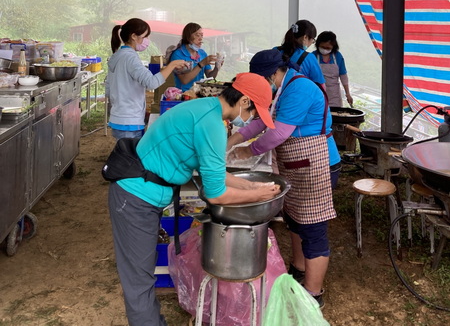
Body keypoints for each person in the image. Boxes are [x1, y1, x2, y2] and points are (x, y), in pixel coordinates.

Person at [108, 72, 281, 326]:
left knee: (143, 270)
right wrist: (258, 195)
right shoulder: (211, 124)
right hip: (135, 196)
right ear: (244, 101)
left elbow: (214, 172)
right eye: (254, 113)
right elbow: (216, 194)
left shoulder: (207, 109)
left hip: (146, 192)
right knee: (139, 279)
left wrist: (250, 185)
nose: (251, 119)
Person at [227, 49, 340, 309]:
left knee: (313, 227)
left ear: (270, 75)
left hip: (318, 163)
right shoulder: (281, 89)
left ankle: (313, 294)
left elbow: (278, 134)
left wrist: (248, 150)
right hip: (297, 163)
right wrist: (234, 139)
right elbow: (262, 121)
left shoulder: (299, 88)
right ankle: (298, 270)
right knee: (295, 219)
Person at [105, 18, 189, 139]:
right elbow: (151, 83)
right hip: (129, 121)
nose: (147, 40)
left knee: (124, 150)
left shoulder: (117, 56)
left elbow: (108, 89)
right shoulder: (130, 58)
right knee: (130, 151)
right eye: (145, 36)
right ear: (134, 36)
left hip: (119, 117)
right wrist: (172, 65)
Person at [169, 22, 223, 92]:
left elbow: (210, 77)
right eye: (197, 35)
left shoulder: (202, 53)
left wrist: (216, 67)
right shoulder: (178, 54)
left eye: (201, 35)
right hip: (184, 93)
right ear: (188, 37)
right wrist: (201, 64)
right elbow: (184, 80)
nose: (200, 39)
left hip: (199, 92)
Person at [276, 19, 325, 86]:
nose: (311, 43)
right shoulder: (309, 58)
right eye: (312, 40)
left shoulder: (275, 51)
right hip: (299, 92)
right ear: (305, 37)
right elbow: (320, 86)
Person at [312, 31, 353, 107]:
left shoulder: (338, 56)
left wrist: (348, 93)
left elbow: (343, 76)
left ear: (333, 47)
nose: (325, 50)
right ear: (318, 44)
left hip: (334, 95)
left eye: (328, 48)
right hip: (317, 94)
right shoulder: (312, 56)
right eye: (323, 47)